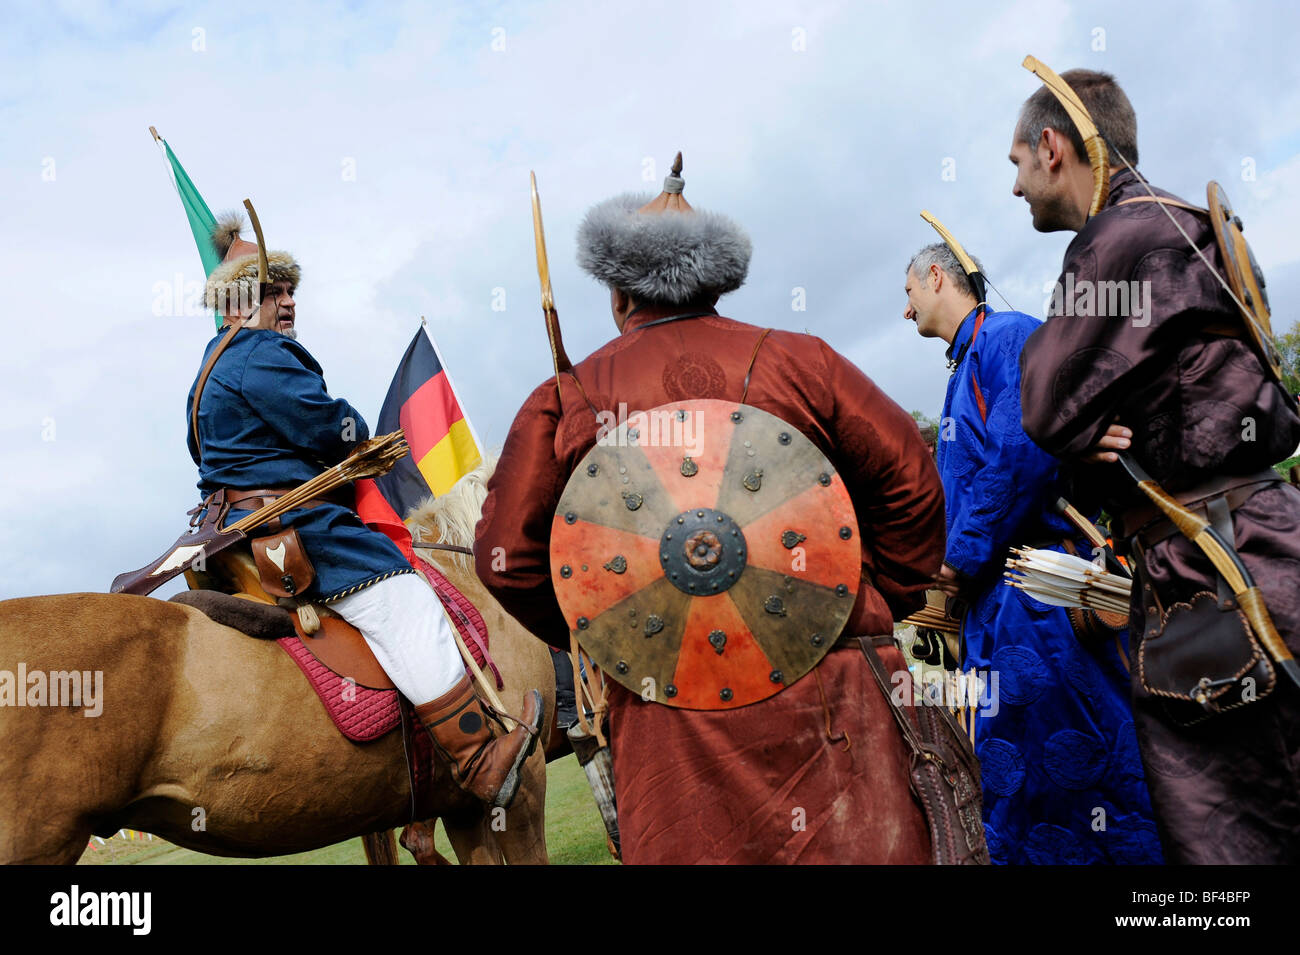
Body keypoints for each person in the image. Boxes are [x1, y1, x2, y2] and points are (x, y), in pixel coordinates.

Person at [475, 161, 948, 863]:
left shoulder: (566, 395)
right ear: (716, 279)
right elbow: (912, 483)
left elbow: (502, 557)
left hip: (671, 717)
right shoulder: (805, 360)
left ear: (616, 291)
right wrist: (863, 594)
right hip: (831, 693)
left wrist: (616, 620)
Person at [1011, 68, 1300, 863]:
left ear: (1052, 145)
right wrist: (1087, 427)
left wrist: (1079, 422)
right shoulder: (1189, 221)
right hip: (1255, 540)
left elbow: (1042, 401)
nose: (1015, 187)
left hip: (1207, 572)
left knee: (1228, 845)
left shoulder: (1120, 237)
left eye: (1016, 164)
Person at [190, 212, 541, 809]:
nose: (288, 301)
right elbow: (328, 425)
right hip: (293, 525)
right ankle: (476, 758)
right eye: (271, 290)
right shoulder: (260, 353)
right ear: (236, 303)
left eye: (290, 288)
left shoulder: (209, 366)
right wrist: (362, 439)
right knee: (405, 596)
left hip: (233, 530)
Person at [904, 241, 1161, 864]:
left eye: (908, 292)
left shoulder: (1007, 337)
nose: (905, 311)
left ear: (937, 276)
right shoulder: (964, 363)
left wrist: (957, 560)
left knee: (1077, 762)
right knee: (1013, 773)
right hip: (996, 604)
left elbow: (1018, 458)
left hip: (1039, 593)